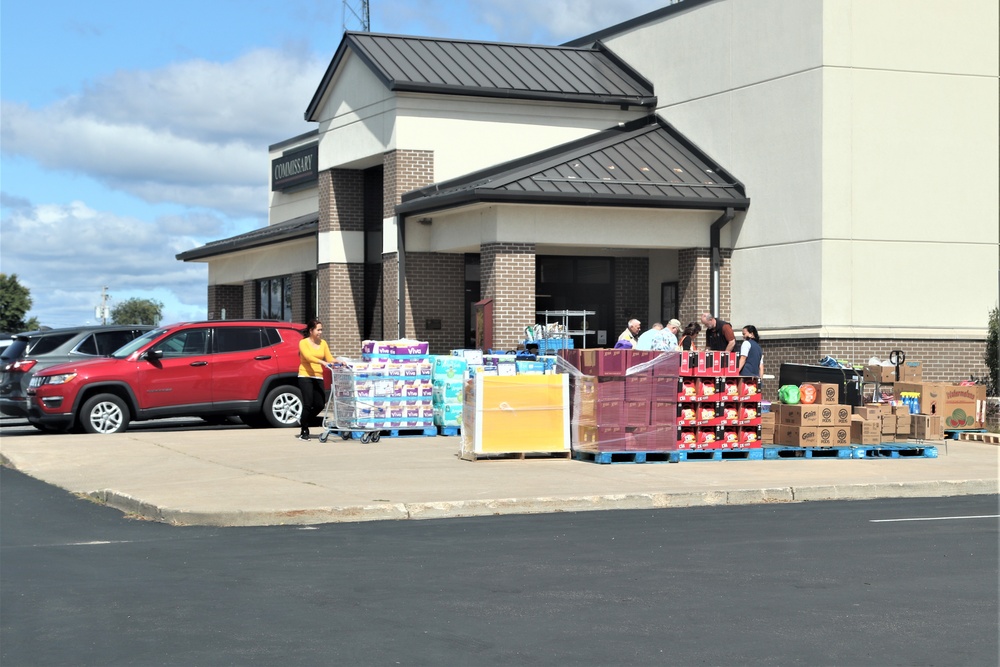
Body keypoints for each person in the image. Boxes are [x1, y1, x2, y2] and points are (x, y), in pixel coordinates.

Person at [297, 318, 336, 441]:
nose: (320, 332)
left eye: (321, 330)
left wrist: (339, 362)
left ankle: (304, 418)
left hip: (318, 376)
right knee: (308, 403)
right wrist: (322, 362)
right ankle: (304, 430)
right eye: (318, 330)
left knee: (320, 404)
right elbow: (308, 357)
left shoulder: (323, 343)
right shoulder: (303, 343)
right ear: (311, 330)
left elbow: (329, 358)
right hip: (305, 375)